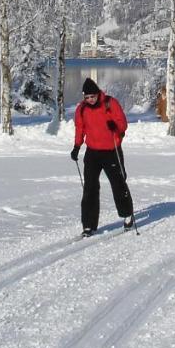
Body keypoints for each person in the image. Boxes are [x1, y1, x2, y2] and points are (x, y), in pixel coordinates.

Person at [72, 78, 134, 237]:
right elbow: (80, 129)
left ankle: (127, 214)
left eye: (92, 96)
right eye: (87, 97)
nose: (90, 100)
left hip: (111, 150)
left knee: (118, 184)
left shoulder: (110, 103)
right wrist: (77, 147)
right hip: (92, 152)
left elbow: (123, 123)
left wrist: (116, 126)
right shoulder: (81, 109)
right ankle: (88, 225)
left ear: (97, 94)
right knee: (90, 188)